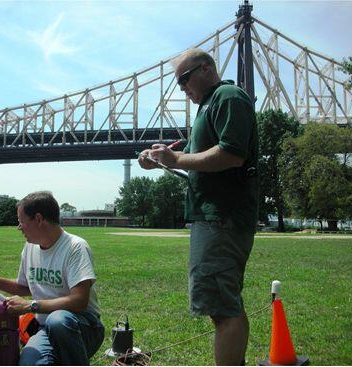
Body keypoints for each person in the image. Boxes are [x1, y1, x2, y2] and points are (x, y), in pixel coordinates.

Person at [138, 48, 259, 365]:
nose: (181, 88)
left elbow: (232, 154)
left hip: (222, 218)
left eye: (184, 80)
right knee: (226, 305)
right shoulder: (208, 106)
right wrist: (161, 160)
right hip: (213, 217)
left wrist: (176, 158)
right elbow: (195, 161)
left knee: (222, 309)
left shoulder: (228, 97)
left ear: (206, 68)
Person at [0, 191, 104, 365]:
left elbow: (79, 301)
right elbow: (25, 287)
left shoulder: (75, 247)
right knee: (29, 363)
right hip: (46, 329)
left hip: (83, 327)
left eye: (21, 221)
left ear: (38, 219)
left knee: (58, 320)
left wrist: (29, 306)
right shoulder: (30, 248)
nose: (18, 227)